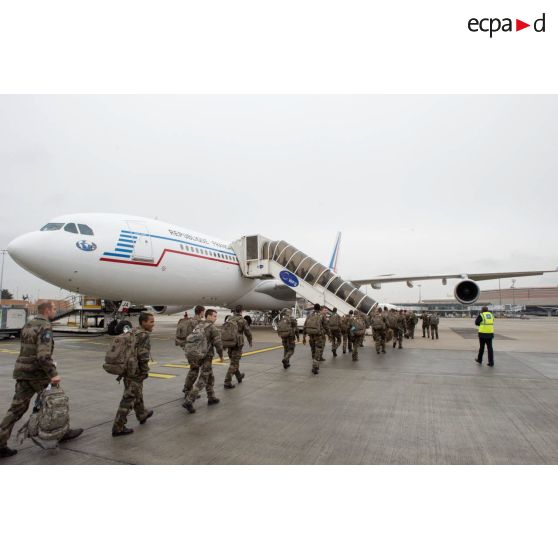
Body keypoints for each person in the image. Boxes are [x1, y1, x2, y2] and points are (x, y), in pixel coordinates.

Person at [0, 301, 83, 458]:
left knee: (15, 410)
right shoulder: (45, 326)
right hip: (37, 375)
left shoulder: (29, 324)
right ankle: (62, 432)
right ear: (46, 310)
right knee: (55, 403)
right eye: (53, 308)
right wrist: (53, 373)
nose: (55, 311)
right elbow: (43, 355)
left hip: (22, 372)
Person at [112, 312, 155, 437]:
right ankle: (118, 426)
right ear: (143, 322)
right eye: (151, 321)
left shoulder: (133, 331)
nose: (153, 324)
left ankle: (142, 414)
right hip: (135, 371)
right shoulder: (143, 335)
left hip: (127, 369)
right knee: (129, 398)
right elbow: (143, 356)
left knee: (137, 392)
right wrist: (145, 371)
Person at [183, 309, 225, 413]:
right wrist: (221, 356)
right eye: (214, 316)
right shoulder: (212, 328)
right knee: (203, 379)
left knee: (210, 376)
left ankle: (211, 397)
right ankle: (189, 400)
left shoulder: (199, 325)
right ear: (208, 316)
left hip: (197, 355)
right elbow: (218, 344)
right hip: (206, 356)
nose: (215, 318)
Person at [224, 305, 253, 389]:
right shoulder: (243, 321)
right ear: (241, 311)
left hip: (229, 343)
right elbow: (248, 332)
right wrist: (250, 341)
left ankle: (239, 376)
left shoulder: (229, 319)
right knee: (234, 364)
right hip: (237, 344)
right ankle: (227, 381)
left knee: (233, 362)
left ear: (234, 311)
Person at [181, 305, 205, 398]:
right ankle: (187, 390)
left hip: (189, 348)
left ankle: (187, 387)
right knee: (194, 370)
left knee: (193, 369)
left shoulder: (189, 321)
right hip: (195, 350)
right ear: (201, 312)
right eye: (203, 312)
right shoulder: (198, 322)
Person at [302, 303, 330, 374]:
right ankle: (315, 366)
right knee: (318, 350)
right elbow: (326, 326)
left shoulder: (309, 315)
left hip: (311, 335)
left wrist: (304, 337)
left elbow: (305, 326)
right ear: (319, 308)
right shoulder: (322, 315)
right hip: (318, 336)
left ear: (314, 308)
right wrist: (329, 335)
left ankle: (315, 364)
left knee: (313, 350)